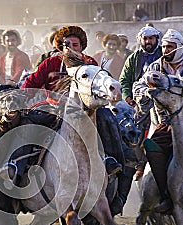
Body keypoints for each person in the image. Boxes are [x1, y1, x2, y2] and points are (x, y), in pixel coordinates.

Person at [20, 25, 126, 214]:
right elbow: (31, 83)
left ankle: (111, 159)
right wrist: (19, 98)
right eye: (66, 44)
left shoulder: (90, 64)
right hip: (53, 107)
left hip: (85, 111)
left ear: (81, 46)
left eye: (74, 44)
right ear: (61, 46)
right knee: (29, 124)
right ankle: (22, 167)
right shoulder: (50, 63)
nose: (70, 47)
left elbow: (101, 85)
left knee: (108, 119)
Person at [133, 29, 183, 214]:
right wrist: (144, 93)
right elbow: (139, 84)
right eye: (165, 46)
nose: (166, 50)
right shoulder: (156, 66)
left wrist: (169, 82)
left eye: (170, 47)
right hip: (165, 120)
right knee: (151, 147)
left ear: (180, 47)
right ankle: (166, 195)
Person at [119, 26, 162, 180]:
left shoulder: (165, 55)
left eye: (151, 38)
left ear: (156, 39)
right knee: (133, 133)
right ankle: (140, 164)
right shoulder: (134, 58)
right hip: (140, 102)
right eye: (145, 38)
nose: (148, 41)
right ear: (140, 40)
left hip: (162, 101)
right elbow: (124, 80)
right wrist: (127, 96)